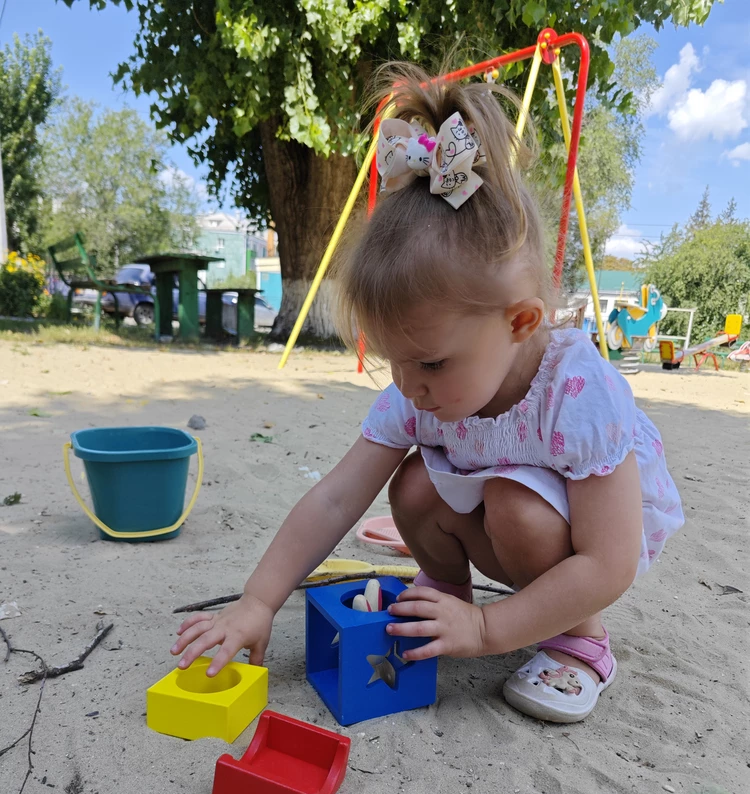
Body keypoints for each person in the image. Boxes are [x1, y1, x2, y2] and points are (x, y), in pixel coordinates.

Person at [172, 64, 683, 724]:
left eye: (433, 362)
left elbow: (610, 562)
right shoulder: (421, 390)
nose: (411, 386)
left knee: (512, 501)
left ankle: (579, 641)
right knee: (413, 483)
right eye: (395, 362)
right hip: (500, 527)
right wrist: (258, 600)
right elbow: (335, 496)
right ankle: (441, 594)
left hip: (565, 549)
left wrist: (489, 632)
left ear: (521, 322)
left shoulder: (578, 393)